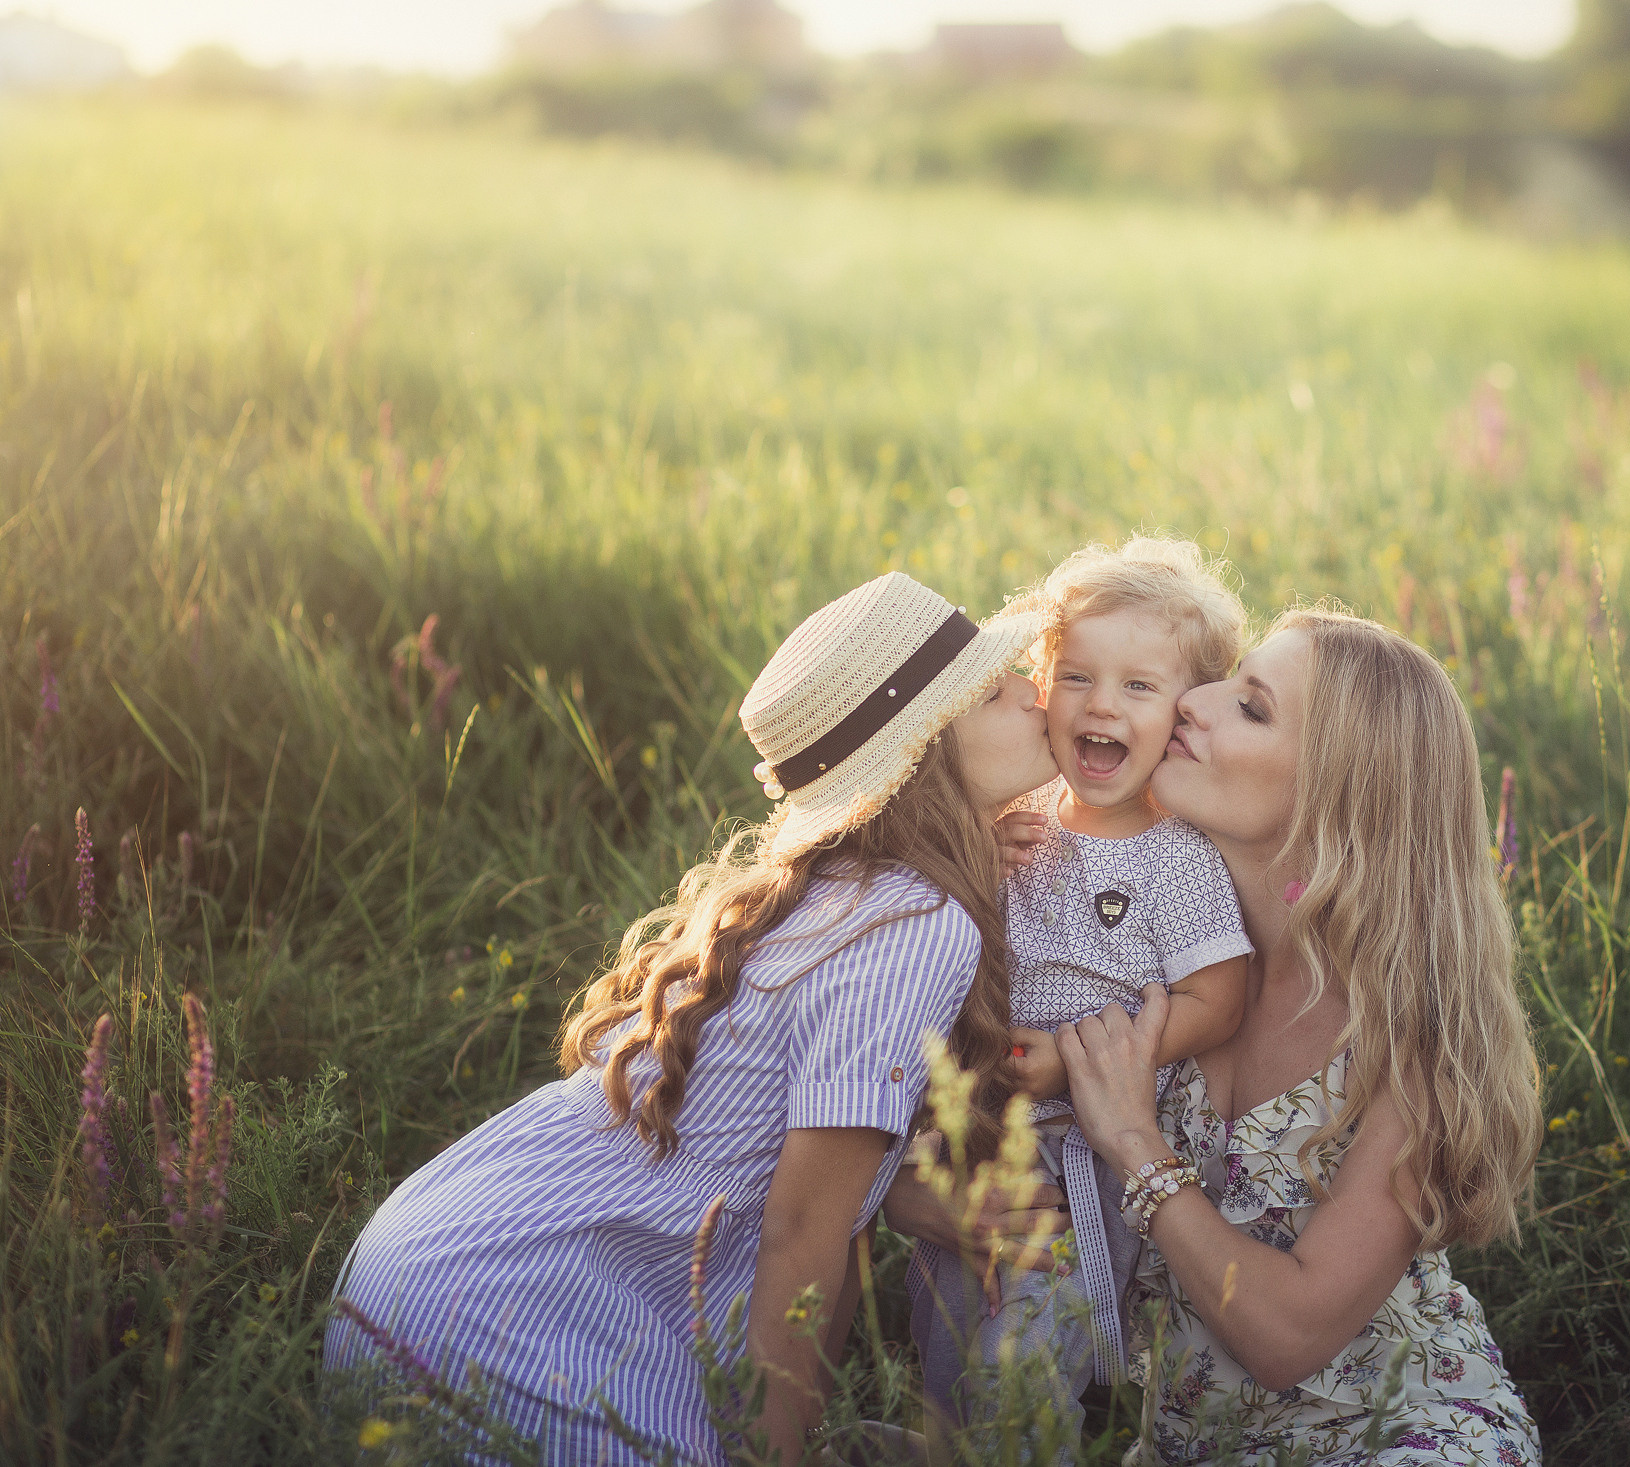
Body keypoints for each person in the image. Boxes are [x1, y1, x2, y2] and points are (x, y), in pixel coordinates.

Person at [325, 572, 1056, 1467]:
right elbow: (802, 1230)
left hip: (429, 1261)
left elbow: (818, 1185)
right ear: (922, 753)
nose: (1033, 691)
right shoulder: (914, 923)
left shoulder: (844, 887)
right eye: (991, 691)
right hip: (504, 1307)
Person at [1053, 607, 1545, 1466]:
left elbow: (1287, 1336)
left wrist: (1136, 1143)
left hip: (1394, 1437)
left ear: (1337, 792)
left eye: (1251, 706)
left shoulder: (1411, 1039)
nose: (1193, 703)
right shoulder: (1143, 936)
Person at [906, 538, 1252, 1452]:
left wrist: (1082, 1055)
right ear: (1040, 683)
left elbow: (1220, 995)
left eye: (1140, 687)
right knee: (949, 1301)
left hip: (1091, 1140)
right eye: (1076, 677)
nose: (1101, 705)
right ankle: (944, 1436)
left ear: (1183, 714)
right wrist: (982, 850)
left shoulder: (1179, 854)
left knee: (1027, 1342)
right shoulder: (1018, 817)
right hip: (983, 1112)